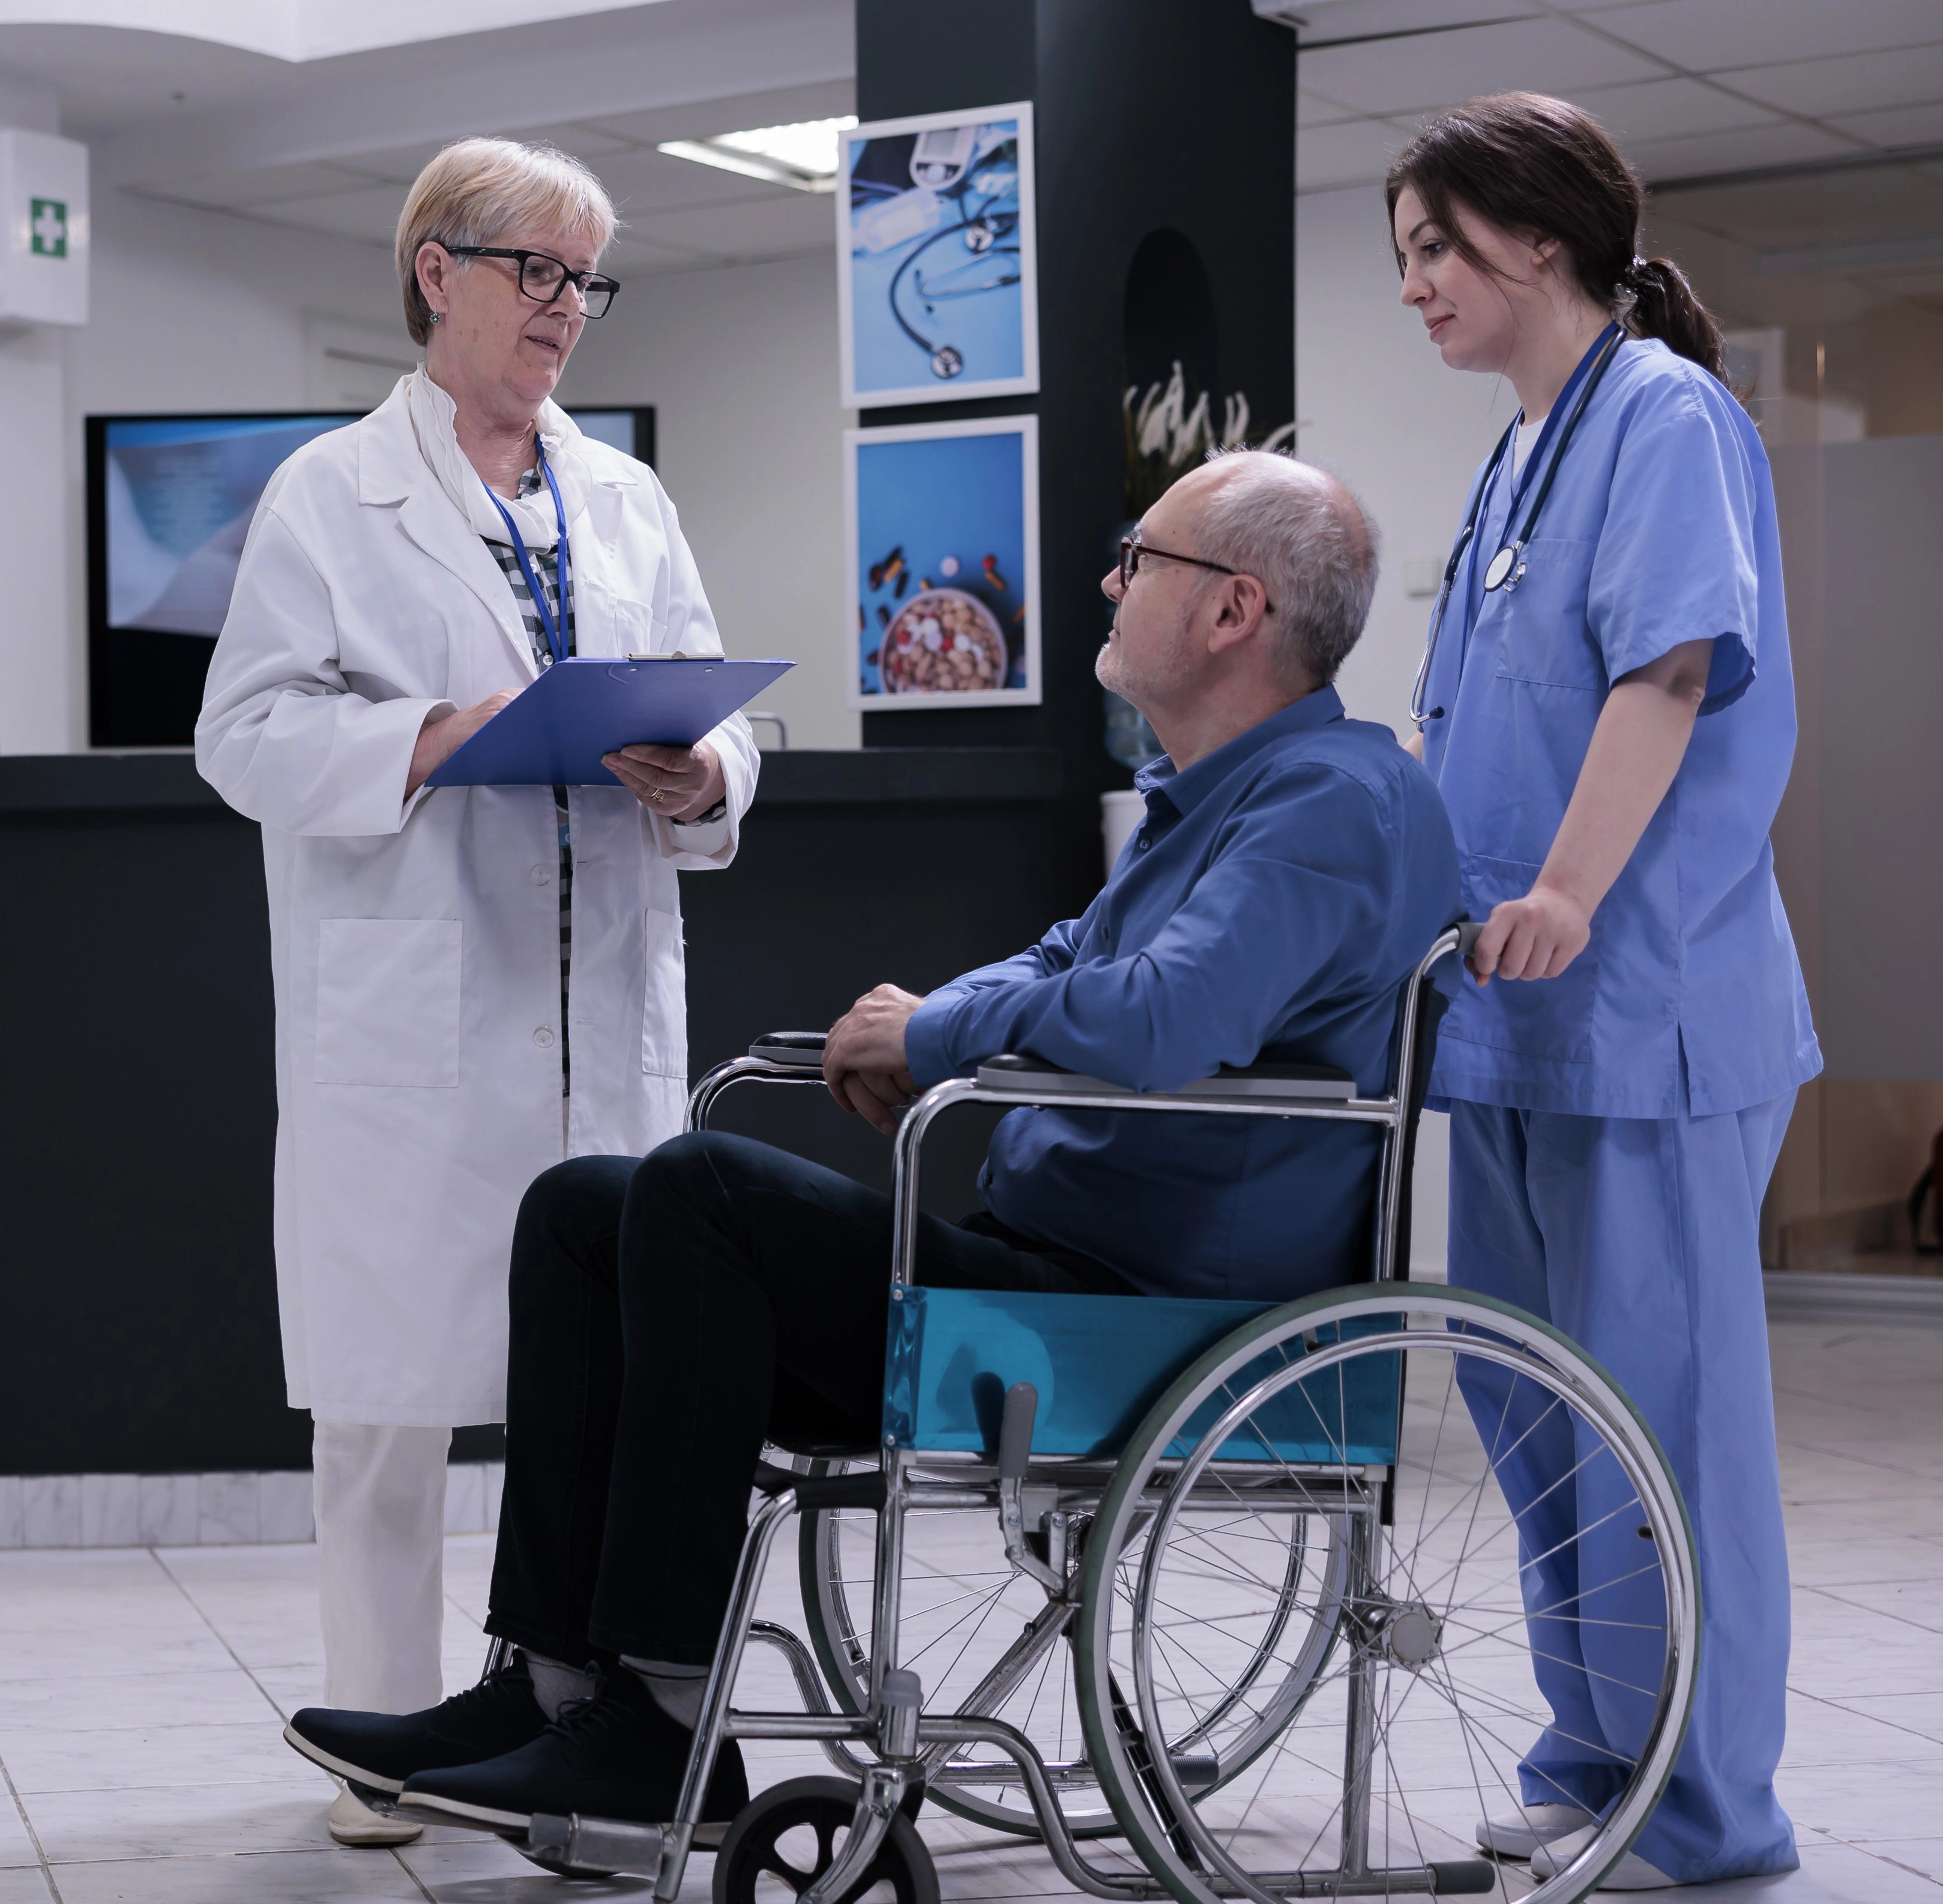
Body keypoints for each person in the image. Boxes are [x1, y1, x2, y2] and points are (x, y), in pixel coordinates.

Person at [275, 451, 1461, 1838]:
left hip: (1152, 1322)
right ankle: (548, 1684)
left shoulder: (1330, 801)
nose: (1107, 579)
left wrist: (937, 1039)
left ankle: (660, 1724)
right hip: (1051, 1278)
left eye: (1138, 558)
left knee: (698, 1187)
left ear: (1228, 612)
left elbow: (1157, 1017)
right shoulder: (1204, 794)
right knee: (582, 1212)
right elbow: (1064, 961)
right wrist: (935, 1027)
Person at [192, 137, 759, 1849]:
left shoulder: (625, 493)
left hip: (599, 1005)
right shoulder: (326, 495)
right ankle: (378, 1747)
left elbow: (722, 708)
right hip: (416, 1022)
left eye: (589, 281)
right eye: (538, 273)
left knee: (599, 1377)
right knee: (387, 1398)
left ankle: (571, 1717)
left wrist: (706, 773)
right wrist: (427, 741)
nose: (567, 312)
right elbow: (244, 735)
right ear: (435, 270)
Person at [1387, 94, 1818, 1891]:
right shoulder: (1520, 448)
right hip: (1511, 1022)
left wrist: (1566, 887)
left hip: (1644, 1007)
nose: (1414, 281)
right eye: (1400, 255)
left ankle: (1707, 1811)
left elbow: (1668, 668)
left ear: (1539, 239)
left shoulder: (1663, 417)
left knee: (1668, 1416)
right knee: (1542, 1403)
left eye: (1434, 246)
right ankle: (1599, 1748)